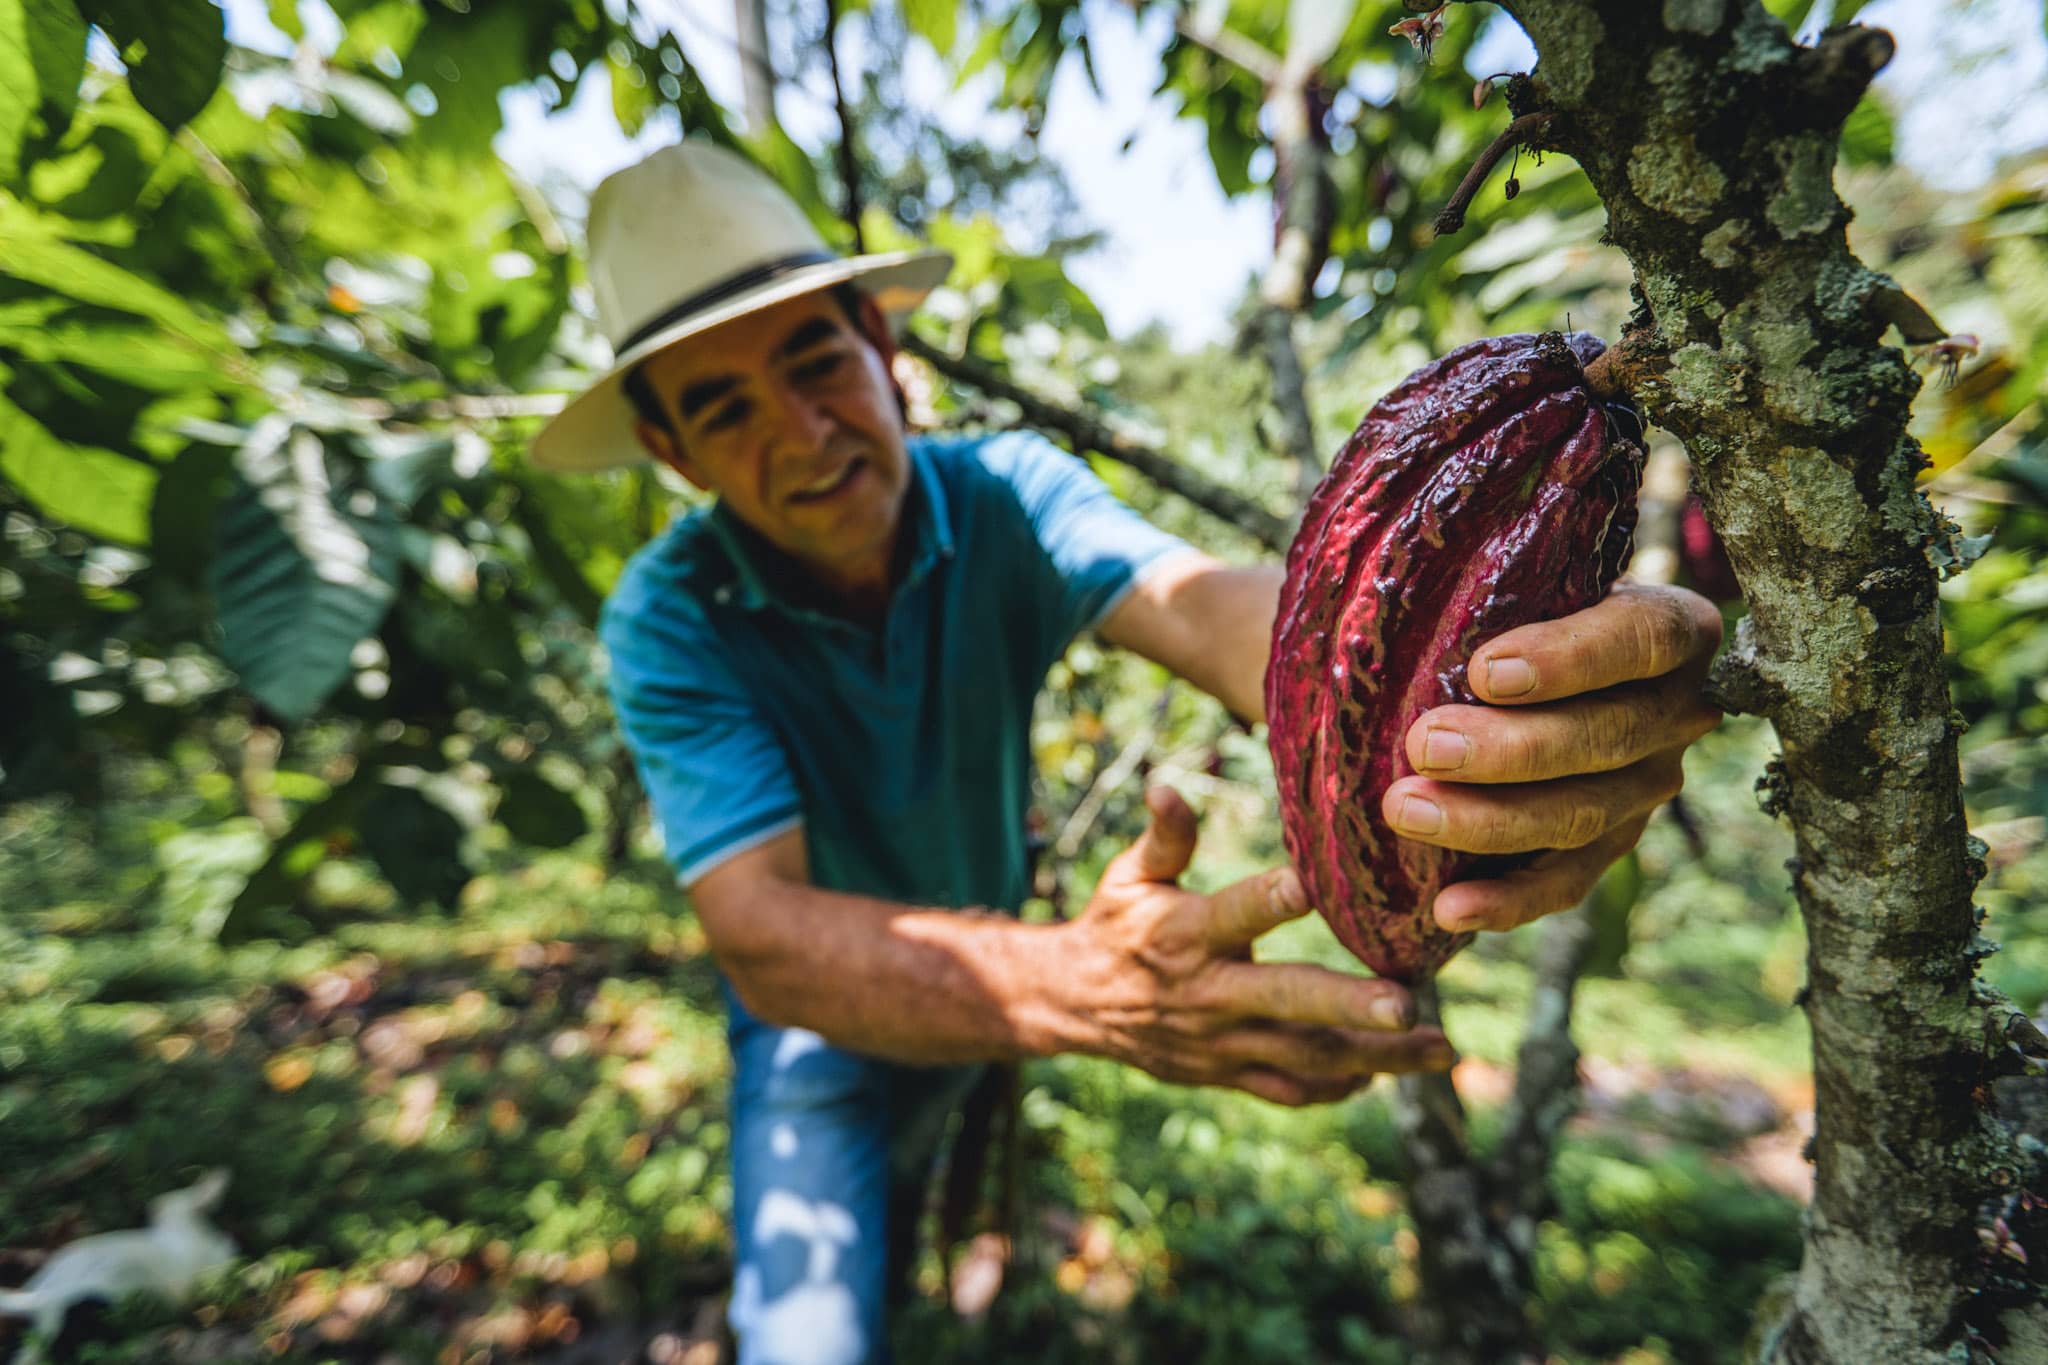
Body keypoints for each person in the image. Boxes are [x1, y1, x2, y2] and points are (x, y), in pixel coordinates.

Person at [529, 141, 1722, 1365]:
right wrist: (1084, 991)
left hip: (1003, 967)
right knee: (809, 1329)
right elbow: (761, 938)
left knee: (949, 1210)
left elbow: (1221, 615)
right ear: (671, 452)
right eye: (723, 408)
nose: (802, 431)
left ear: (882, 354)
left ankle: (961, 1259)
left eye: (815, 361)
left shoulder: (1004, 496)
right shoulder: (670, 617)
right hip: (819, 1032)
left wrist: (1447, 684)